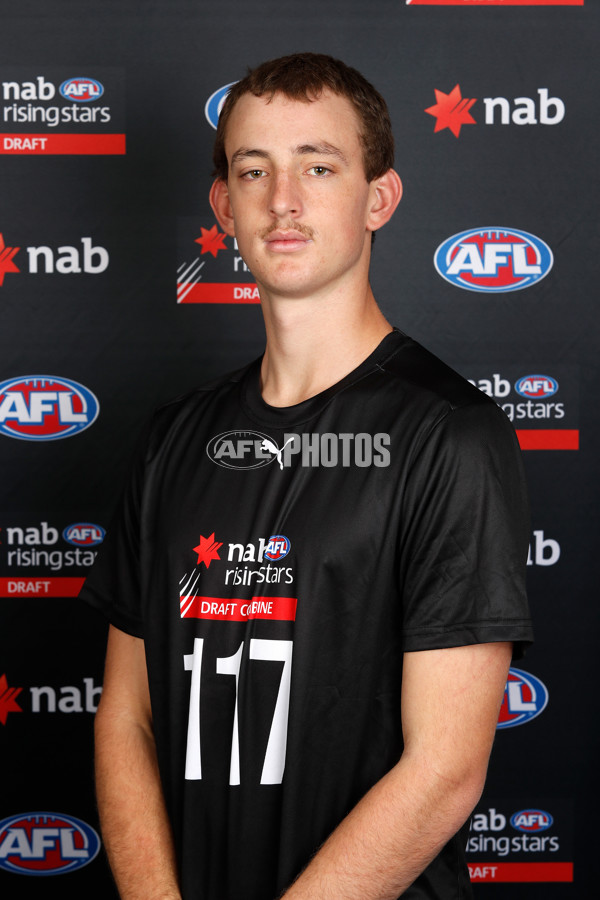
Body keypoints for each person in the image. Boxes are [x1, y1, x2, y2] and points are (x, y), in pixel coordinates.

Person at [87, 53, 533, 900]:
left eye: (318, 167)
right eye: (254, 170)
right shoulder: (171, 440)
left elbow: (444, 769)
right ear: (224, 206)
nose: (282, 200)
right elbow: (127, 717)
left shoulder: (450, 436)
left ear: (379, 199)